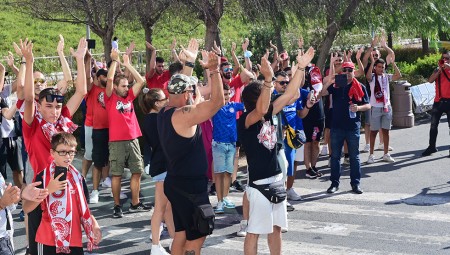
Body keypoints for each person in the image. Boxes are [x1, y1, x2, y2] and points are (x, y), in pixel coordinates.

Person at [239, 48, 315, 255]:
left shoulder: (272, 109)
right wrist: (267, 79)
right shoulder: (245, 120)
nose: (272, 92)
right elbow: (261, 110)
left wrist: (300, 67)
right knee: (253, 232)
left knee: (276, 229)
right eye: (268, 91)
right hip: (259, 185)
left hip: (276, 179)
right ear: (256, 98)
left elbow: (291, 93)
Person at [20, 37, 88, 255]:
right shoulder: (32, 125)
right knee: (39, 248)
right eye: (49, 106)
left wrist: (79, 60)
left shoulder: (62, 122)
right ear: (40, 106)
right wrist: (29, 62)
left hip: (67, 188)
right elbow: (29, 99)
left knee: (69, 246)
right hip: (42, 189)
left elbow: (81, 92)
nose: (55, 111)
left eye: (58, 106)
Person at [157, 40, 224, 255]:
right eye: (192, 90)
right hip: (190, 187)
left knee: (182, 233)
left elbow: (182, 87)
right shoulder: (185, 116)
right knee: (199, 233)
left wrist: (189, 62)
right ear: (187, 94)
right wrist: (214, 71)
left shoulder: (165, 112)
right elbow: (217, 103)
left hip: (176, 182)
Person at [23, 133, 102, 255]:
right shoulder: (43, 177)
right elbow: (27, 208)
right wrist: (48, 190)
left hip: (74, 240)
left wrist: (94, 224)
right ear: (52, 153)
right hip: (47, 241)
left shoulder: (78, 178)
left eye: (71, 152)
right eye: (62, 152)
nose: (68, 156)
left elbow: (83, 208)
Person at [105, 49, 152, 218]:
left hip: (133, 139)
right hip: (117, 141)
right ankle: (117, 206)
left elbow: (141, 81)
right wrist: (115, 61)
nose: (126, 88)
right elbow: (110, 78)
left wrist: (128, 64)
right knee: (116, 174)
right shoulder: (110, 97)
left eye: (127, 86)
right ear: (116, 87)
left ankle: (135, 202)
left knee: (137, 171)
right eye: (123, 86)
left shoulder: (129, 97)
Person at [322, 61, 370, 194]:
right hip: (337, 126)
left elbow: (368, 105)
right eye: (345, 70)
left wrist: (358, 107)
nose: (347, 73)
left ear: (354, 72)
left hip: (353, 127)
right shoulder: (336, 85)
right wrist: (329, 81)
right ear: (341, 72)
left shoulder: (359, 86)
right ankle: (334, 184)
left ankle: (355, 184)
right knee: (335, 157)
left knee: (354, 157)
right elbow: (322, 93)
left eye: (350, 70)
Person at [139, 88, 174, 255]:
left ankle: (173, 241)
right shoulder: (157, 119)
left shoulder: (150, 119)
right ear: (157, 103)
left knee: (167, 208)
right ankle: (155, 245)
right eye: (164, 98)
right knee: (161, 208)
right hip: (162, 166)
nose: (167, 100)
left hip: (162, 165)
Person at [212, 83, 244, 214]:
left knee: (228, 173)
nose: (225, 97)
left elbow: (249, 104)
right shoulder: (214, 108)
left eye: (227, 94)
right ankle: (219, 202)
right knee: (219, 174)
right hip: (218, 144)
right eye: (222, 94)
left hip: (231, 144)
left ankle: (225, 198)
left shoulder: (233, 106)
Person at [0, 174, 49, 255]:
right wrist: (2, 203)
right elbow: (3, 203)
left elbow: (6, 204)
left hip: (5, 237)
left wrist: (22, 195)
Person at [366, 57, 401, 164]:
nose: (381, 69)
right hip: (376, 107)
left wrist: (393, 63)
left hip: (386, 106)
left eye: (383, 67)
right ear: (375, 68)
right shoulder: (372, 77)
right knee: (373, 132)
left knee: (386, 131)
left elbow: (398, 75)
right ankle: (371, 155)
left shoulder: (386, 77)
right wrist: (372, 62)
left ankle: (386, 154)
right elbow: (367, 76)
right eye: (379, 67)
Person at [422, 50, 450, 157]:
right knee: (433, 125)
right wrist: (437, 72)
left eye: (447, 58)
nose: (445, 60)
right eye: (443, 58)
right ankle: (432, 147)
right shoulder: (438, 69)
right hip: (438, 101)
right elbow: (430, 80)